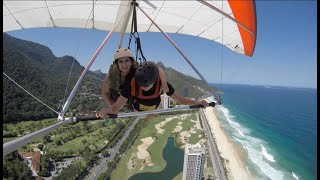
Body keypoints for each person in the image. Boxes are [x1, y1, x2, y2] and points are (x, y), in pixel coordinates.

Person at [97, 61, 209, 118]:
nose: (143, 88)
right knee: (140, 113)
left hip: (156, 108)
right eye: (140, 85)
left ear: (155, 81)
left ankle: (151, 114)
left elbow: (179, 99)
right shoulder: (131, 86)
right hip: (138, 110)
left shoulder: (162, 85)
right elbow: (116, 107)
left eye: (146, 86)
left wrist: (196, 102)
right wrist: (106, 111)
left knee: (154, 111)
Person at [102, 48, 169, 108]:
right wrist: (111, 105)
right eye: (121, 61)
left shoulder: (137, 70)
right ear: (117, 64)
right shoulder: (111, 75)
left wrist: (164, 84)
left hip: (130, 99)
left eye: (127, 61)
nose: (124, 64)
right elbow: (105, 93)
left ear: (131, 62)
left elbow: (158, 69)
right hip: (117, 98)